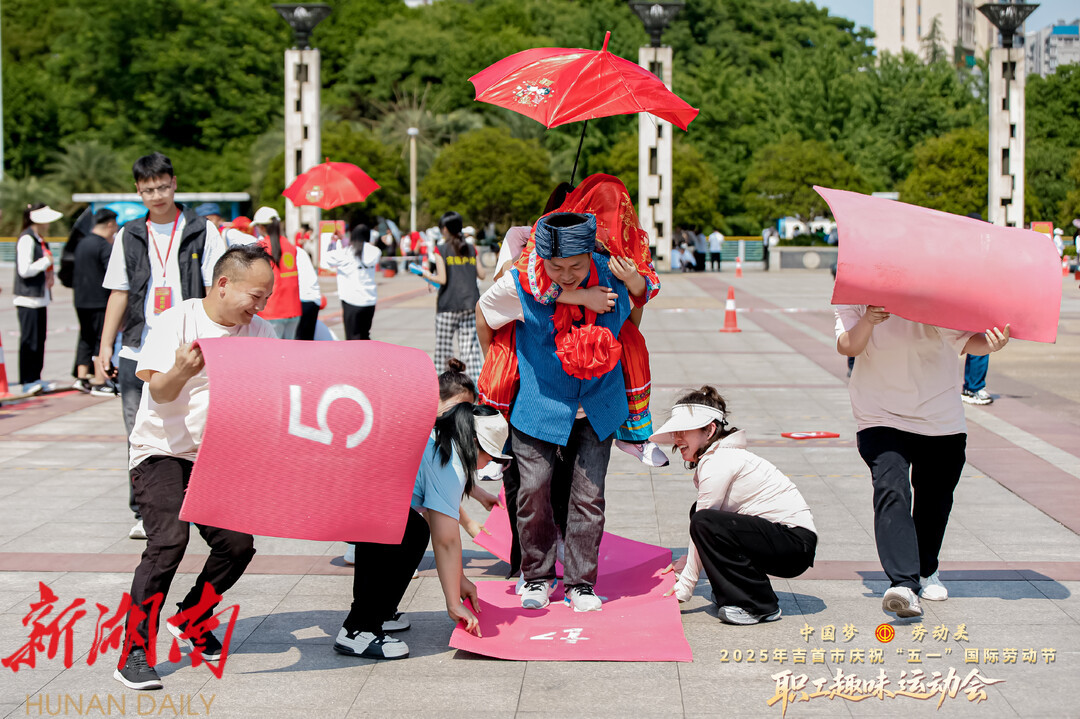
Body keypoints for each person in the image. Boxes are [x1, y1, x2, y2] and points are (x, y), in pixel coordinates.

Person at [113, 245, 278, 690]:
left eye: (266, 298)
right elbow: (160, 392)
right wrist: (183, 370)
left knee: (237, 546)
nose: (261, 307)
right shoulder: (178, 321)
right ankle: (134, 652)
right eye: (256, 296)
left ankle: (192, 617)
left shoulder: (261, 332)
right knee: (169, 541)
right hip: (161, 451)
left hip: (216, 458)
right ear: (224, 284)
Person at [476, 212, 646, 612]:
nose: (567, 276)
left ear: (590, 255)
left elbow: (632, 317)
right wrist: (497, 363)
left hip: (599, 405)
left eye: (576, 266)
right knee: (533, 492)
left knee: (590, 497)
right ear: (542, 260)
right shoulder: (520, 282)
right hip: (539, 403)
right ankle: (536, 576)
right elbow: (484, 314)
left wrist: (635, 285)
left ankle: (581, 584)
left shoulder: (612, 273)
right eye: (556, 267)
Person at [836, 304, 1011, 618]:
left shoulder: (944, 288)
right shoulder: (855, 292)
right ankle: (903, 583)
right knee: (892, 489)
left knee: (935, 500)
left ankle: (926, 570)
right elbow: (848, 345)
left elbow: (967, 340)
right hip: (880, 412)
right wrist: (869, 319)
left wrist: (992, 343)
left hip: (940, 414)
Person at [98, 152, 227, 541]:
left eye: (162, 187)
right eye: (148, 189)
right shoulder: (129, 234)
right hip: (137, 349)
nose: (157, 195)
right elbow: (119, 292)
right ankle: (144, 512)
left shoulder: (202, 230)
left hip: (188, 350)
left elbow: (215, 290)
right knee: (139, 435)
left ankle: (201, 505)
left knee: (198, 428)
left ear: (174, 184)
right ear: (138, 191)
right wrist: (105, 347)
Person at [335, 402, 506, 659]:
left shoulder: (440, 440)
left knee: (409, 527)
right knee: (408, 530)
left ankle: (376, 616)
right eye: (490, 455)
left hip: (351, 494)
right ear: (473, 442)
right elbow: (446, 539)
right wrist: (453, 603)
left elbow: (439, 524)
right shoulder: (450, 462)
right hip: (355, 502)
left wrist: (459, 580)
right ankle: (358, 629)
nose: (489, 462)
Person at [655, 387, 817, 624]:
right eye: (675, 432)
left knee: (704, 520)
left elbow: (705, 522)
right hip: (787, 542)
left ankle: (758, 605)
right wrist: (685, 563)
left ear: (710, 430)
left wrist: (685, 586)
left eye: (684, 431)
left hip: (794, 545)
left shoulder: (720, 460)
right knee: (701, 516)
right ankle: (738, 592)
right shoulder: (719, 456)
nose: (677, 439)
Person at [418, 211, 485, 380]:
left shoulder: (441, 249)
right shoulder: (471, 248)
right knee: (470, 351)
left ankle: (444, 386)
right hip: (471, 303)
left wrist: (426, 275)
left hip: (448, 304)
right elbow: (482, 274)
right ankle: (473, 387)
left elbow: (442, 279)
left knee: (444, 350)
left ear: (445, 229)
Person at [13, 204, 62, 394]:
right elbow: (24, 270)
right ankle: (27, 380)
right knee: (30, 341)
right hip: (28, 299)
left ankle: (36, 377)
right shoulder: (26, 239)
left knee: (40, 339)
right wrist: (45, 262)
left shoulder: (39, 239)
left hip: (40, 298)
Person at [72, 209, 119, 396]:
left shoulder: (82, 243)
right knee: (102, 338)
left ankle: (82, 377)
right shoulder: (104, 246)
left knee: (85, 337)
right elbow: (112, 272)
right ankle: (100, 381)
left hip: (81, 299)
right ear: (110, 225)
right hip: (99, 300)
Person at [251, 206, 302, 339]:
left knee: (271, 350)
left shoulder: (261, 246)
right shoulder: (289, 245)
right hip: (293, 308)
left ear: (262, 227)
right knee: (289, 350)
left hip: (271, 310)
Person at [326, 224, 381, 340]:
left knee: (352, 338)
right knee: (365, 335)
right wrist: (343, 239)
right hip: (369, 301)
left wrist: (334, 242)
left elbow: (329, 258)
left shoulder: (347, 253)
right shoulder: (375, 251)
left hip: (352, 300)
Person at [295, 243, 322, 341]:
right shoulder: (301, 252)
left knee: (296, 340)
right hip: (313, 300)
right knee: (307, 341)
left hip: (300, 300)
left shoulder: (290, 251)